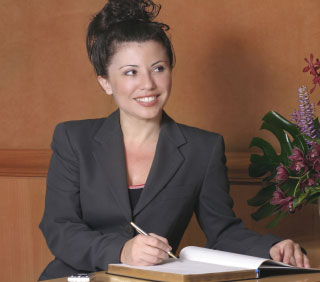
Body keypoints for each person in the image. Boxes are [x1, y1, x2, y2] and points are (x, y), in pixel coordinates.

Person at [38, 0, 310, 280]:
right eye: (131, 72)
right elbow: (59, 227)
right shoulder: (73, 138)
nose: (148, 84)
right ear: (105, 82)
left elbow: (223, 231)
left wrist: (272, 247)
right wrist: (122, 250)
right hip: (75, 277)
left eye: (158, 68)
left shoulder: (203, 149)